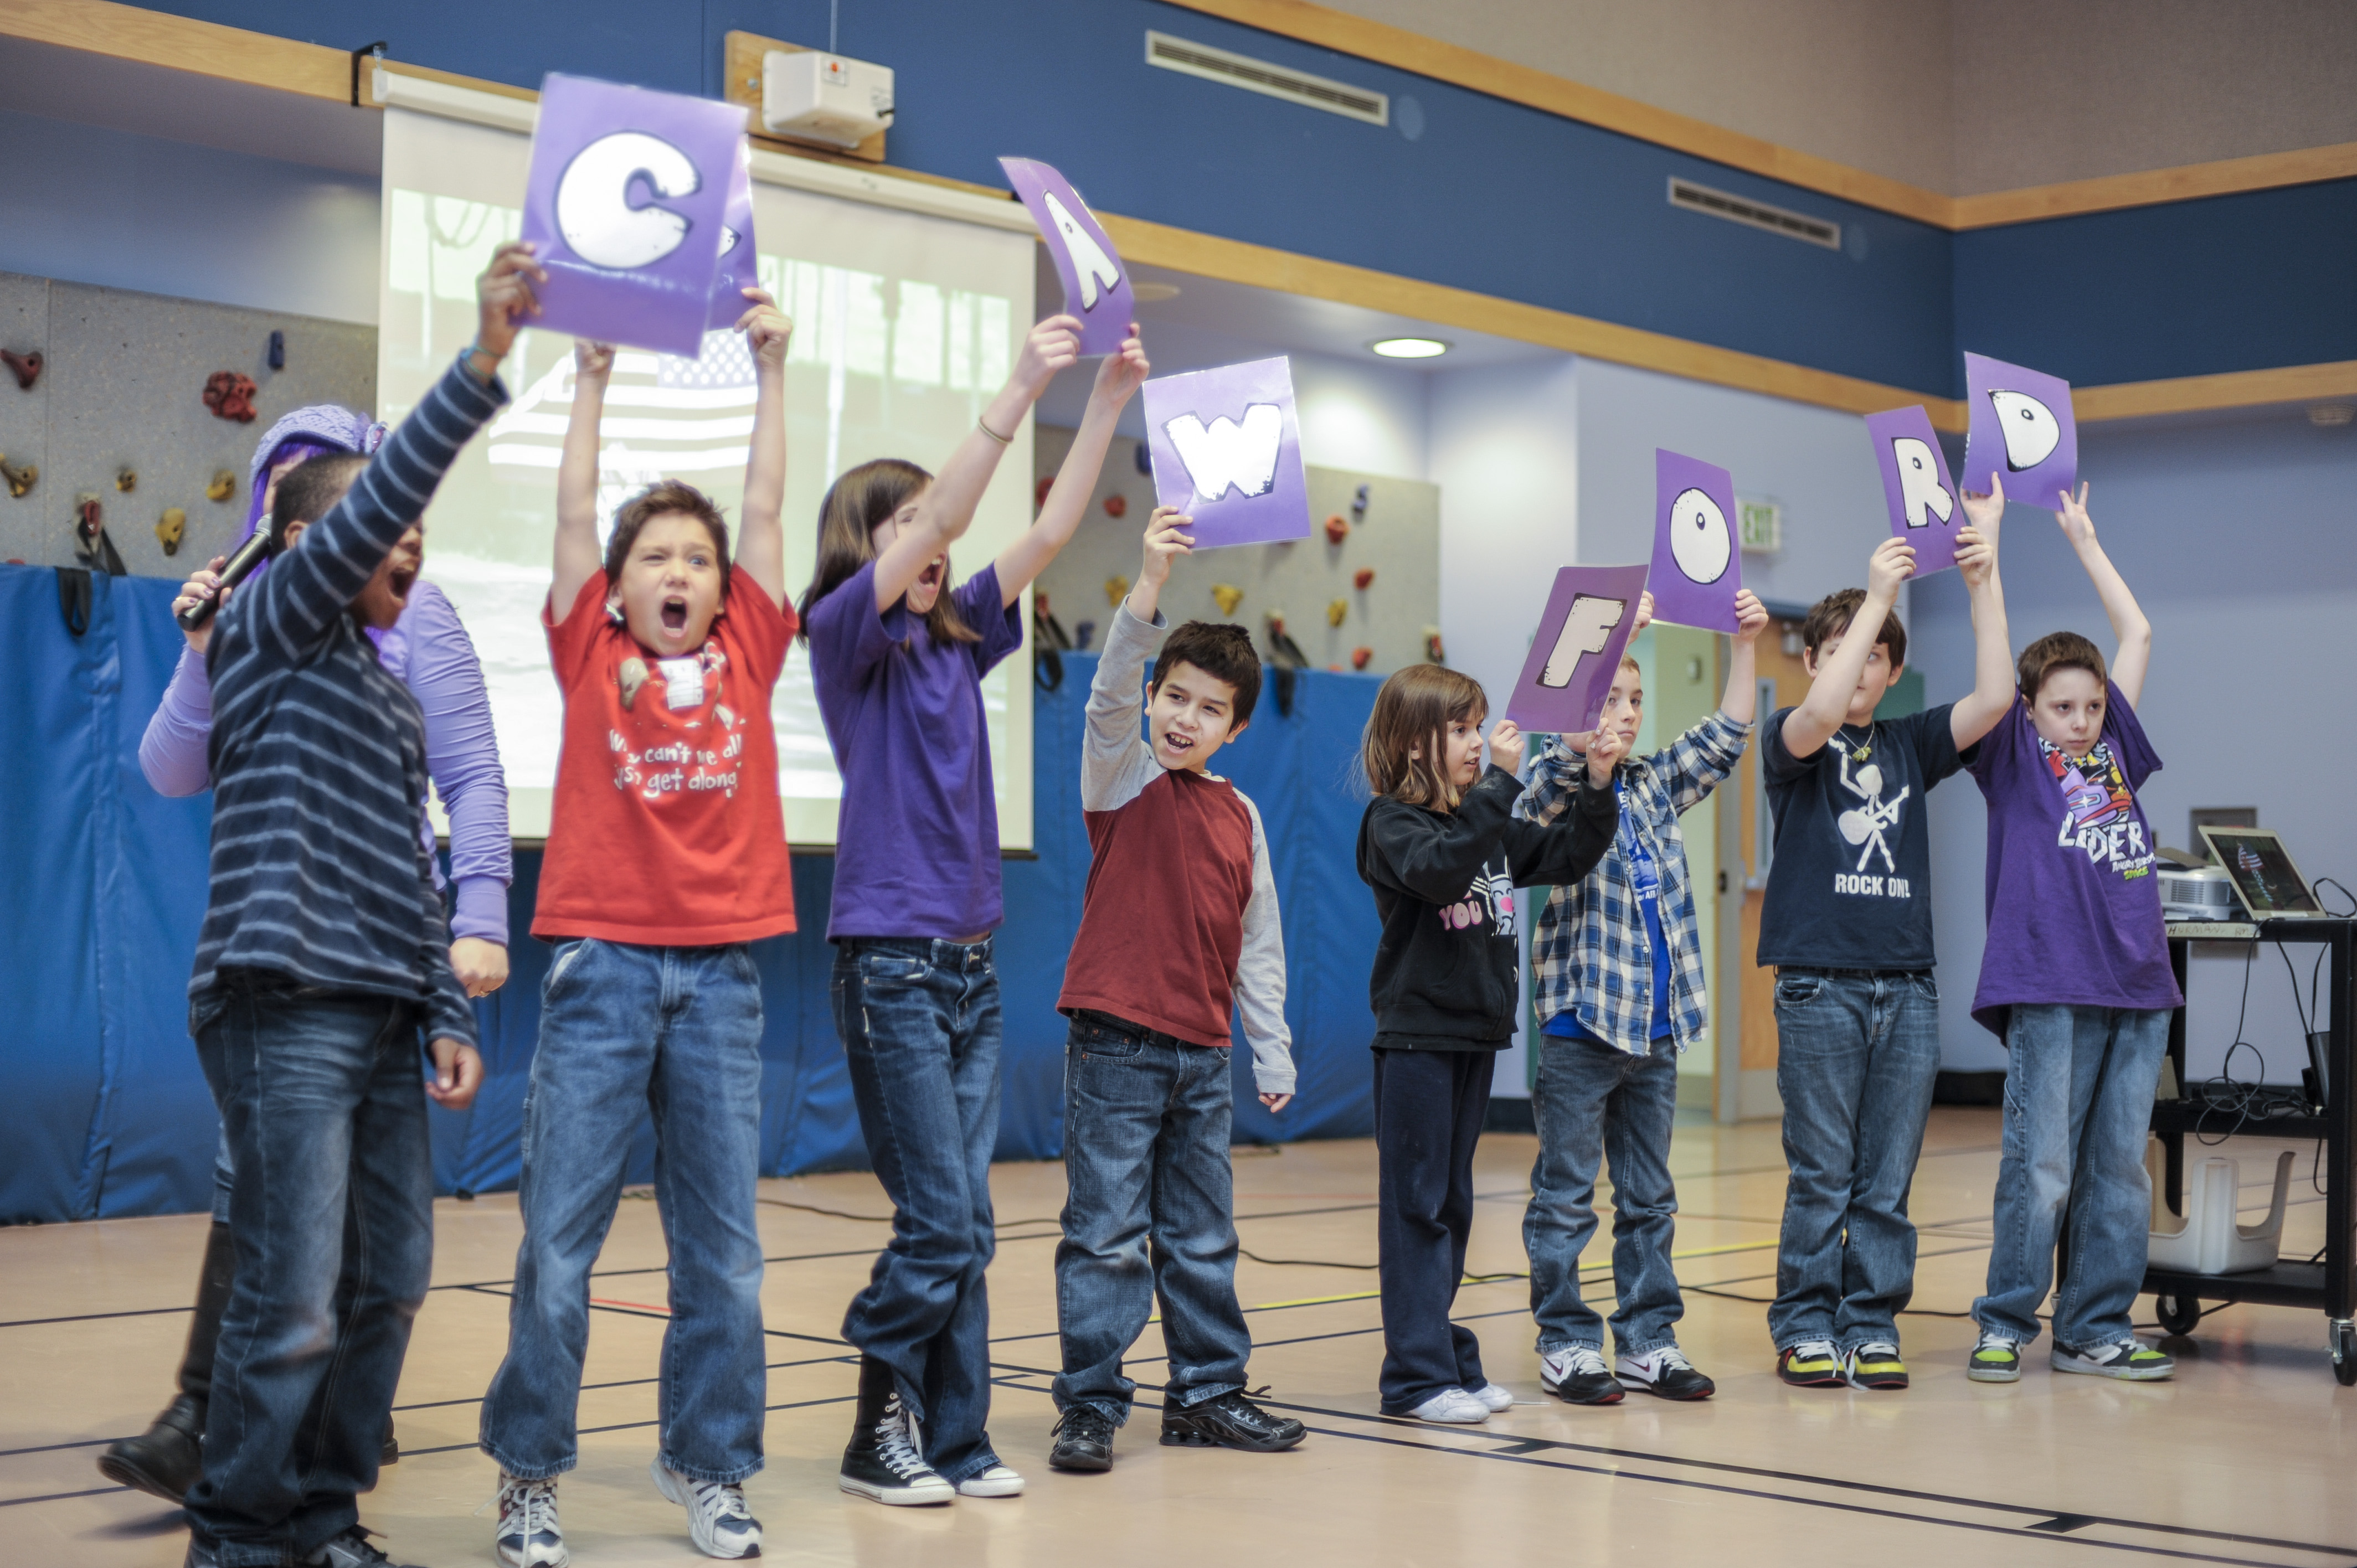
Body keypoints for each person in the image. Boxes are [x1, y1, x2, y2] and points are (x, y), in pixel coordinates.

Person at [178, 240, 534, 1568]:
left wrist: (444, 1001)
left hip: (387, 1014)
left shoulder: (389, 693)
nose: (413, 549)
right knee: (292, 1302)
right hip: (283, 1004)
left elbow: (410, 860)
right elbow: (377, 493)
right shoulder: (270, 626)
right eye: (390, 529)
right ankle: (236, 1534)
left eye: (422, 540)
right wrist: (486, 360)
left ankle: (324, 1514)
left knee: (388, 1286)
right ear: (309, 546)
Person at [101, 407, 513, 1505]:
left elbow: (469, 781)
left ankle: (311, 1451)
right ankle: (228, 1445)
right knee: (274, 1216)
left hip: (381, 963)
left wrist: (477, 916)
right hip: (281, 963)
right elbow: (169, 769)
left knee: (379, 1260)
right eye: (285, 484)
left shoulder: (417, 625)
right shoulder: (254, 622)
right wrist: (199, 654)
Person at [802, 314, 1146, 1505]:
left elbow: (1048, 530)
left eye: (929, 523)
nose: (932, 537)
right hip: (889, 964)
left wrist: (1101, 402)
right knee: (941, 1220)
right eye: (900, 525)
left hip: (968, 966)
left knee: (968, 1228)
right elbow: (953, 513)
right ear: (863, 550)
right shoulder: (845, 639)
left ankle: (951, 1437)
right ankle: (871, 1426)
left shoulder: (958, 643)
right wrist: (1015, 387)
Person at [477, 290, 798, 1566]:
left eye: (698, 560)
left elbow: (767, 507)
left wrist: (773, 373)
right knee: (560, 1248)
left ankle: (711, 1468)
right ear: (616, 587)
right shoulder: (584, 651)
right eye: (655, 558)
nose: (680, 573)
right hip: (602, 968)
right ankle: (528, 1477)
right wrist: (590, 381)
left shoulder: (751, 651)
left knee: (724, 1261)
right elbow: (569, 514)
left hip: (719, 981)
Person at [1046, 507, 1305, 1474]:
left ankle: (1206, 1393)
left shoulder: (1240, 814)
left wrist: (1267, 1046)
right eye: (1175, 697)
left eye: (1209, 710)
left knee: (1202, 1235)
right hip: (1116, 1042)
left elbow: (1259, 941)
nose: (1184, 718)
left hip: (1202, 1053)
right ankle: (1091, 1404)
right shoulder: (1122, 773)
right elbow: (1110, 693)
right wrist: (1148, 587)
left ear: (1235, 730)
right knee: (1106, 1235)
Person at [1760, 512, 2011, 1392]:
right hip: (1819, 986)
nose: (1854, 665)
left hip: (1905, 987)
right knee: (1823, 1172)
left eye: (1871, 653)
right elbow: (1824, 710)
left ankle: (1869, 1321)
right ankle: (1804, 1323)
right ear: (1811, 662)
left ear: (1895, 671)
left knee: (1886, 1179)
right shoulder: (1791, 739)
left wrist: (1984, 582)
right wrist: (1875, 596)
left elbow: (1995, 698)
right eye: (1835, 650)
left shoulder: (1908, 742)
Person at [1516, 587, 1767, 1406]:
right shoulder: (1555, 779)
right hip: (1582, 1027)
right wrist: (1616, 633)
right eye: (1608, 699)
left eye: (1634, 700)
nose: (1625, 715)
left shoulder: (1654, 783)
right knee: (1564, 1195)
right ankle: (1566, 1341)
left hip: (1654, 1033)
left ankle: (1647, 1339)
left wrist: (1745, 645)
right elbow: (1546, 780)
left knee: (1650, 1195)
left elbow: (1727, 737)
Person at [1356, 666, 1621, 1424]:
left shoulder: (1483, 821)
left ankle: (1442, 1359)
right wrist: (1499, 786)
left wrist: (1597, 783)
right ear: (1415, 746)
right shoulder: (1392, 825)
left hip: (1475, 1036)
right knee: (1416, 1209)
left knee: (1452, 1206)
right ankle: (1413, 1379)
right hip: (1416, 1041)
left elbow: (1569, 854)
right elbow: (1442, 876)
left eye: (1480, 728)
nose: (1479, 742)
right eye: (1462, 731)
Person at [1965, 480, 2180, 1384]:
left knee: (2118, 1172)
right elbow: (1996, 660)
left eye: (2091, 708)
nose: (2083, 721)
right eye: (2064, 708)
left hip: (2137, 984)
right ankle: (2006, 1321)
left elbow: (2138, 635)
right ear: (2031, 710)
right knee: (2041, 1165)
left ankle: (2094, 1325)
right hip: (2050, 983)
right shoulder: (2012, 754)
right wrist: (1989, 548)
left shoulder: (2115, 749)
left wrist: (2086, 542)